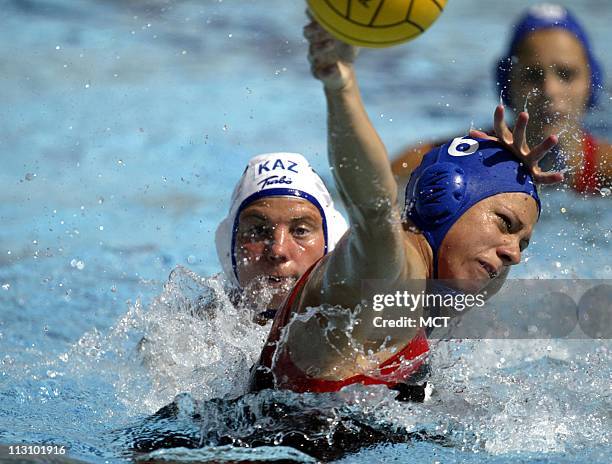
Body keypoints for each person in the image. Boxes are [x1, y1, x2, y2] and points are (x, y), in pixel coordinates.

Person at [249, 19, 562, 396]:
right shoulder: (389, 270)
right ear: (443, 196)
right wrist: (340, 84)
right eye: (505, 224)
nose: (513, 254)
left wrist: (512, 175)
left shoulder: (429, 295)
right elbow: (373, 207)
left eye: (523, 244)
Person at [392, 3, 610, 194]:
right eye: (532, 75)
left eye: (566, 74)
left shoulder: (604, 168)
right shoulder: (449, 159)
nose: (549, 90)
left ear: (592, 82)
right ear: (507, 84)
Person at [215, 152, 348, 322]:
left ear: (331, 242)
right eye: (258, 231)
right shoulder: (195, 328)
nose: (277, 250)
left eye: (300, 231)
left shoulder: (366, 324)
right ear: (228, 246)